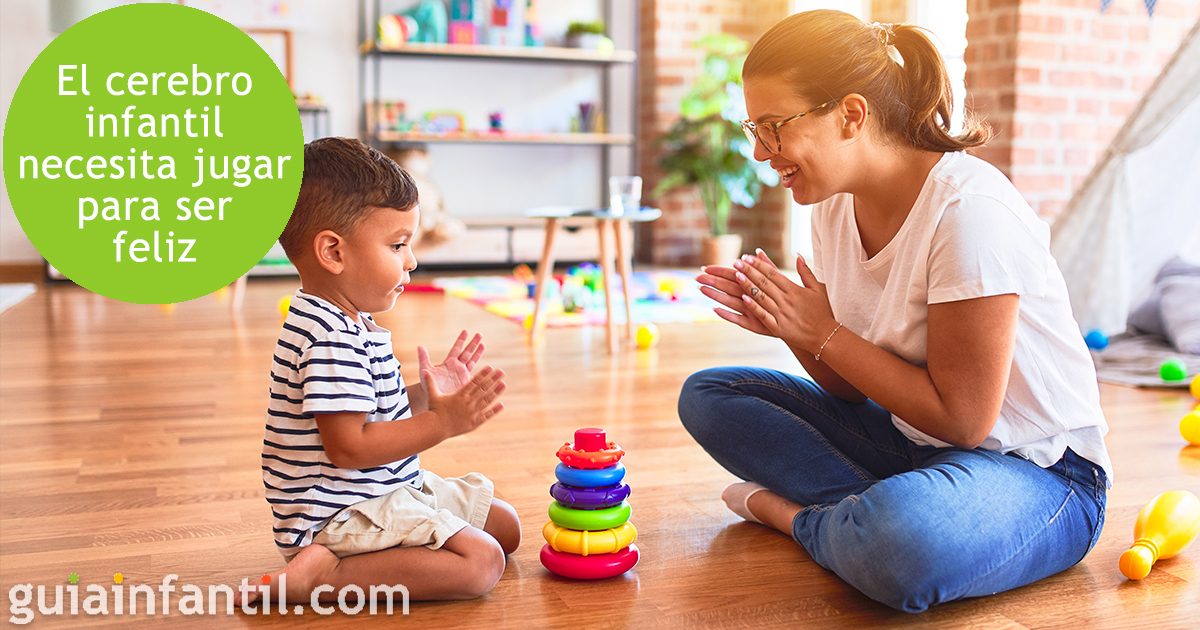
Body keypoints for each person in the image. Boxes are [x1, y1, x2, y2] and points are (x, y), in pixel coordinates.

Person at [681, 10, 1111, 613]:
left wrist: (821, 329)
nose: (760, 151)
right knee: (710, 395)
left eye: (774, 126)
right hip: (913, 440)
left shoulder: (969, 212)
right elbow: (848, 390)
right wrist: (793, 329)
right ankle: (871, 517)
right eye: (755, 127)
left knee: (901, 545)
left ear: (852, 114)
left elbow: (964, 421)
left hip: (1039, 471)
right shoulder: (832, 209)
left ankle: (803, 518)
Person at [239, 137, 519, 606]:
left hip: (385, 488)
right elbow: (350, 447)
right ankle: (322, 574)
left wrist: (428, 396)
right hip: (341, 511)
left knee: (503, 525)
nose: (411, 260)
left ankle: (341, 562)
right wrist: (442, 423)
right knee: (482, 563)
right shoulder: (328, 338)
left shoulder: (348, 319)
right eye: (397, 245)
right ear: (333, 252)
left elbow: (370, 414)